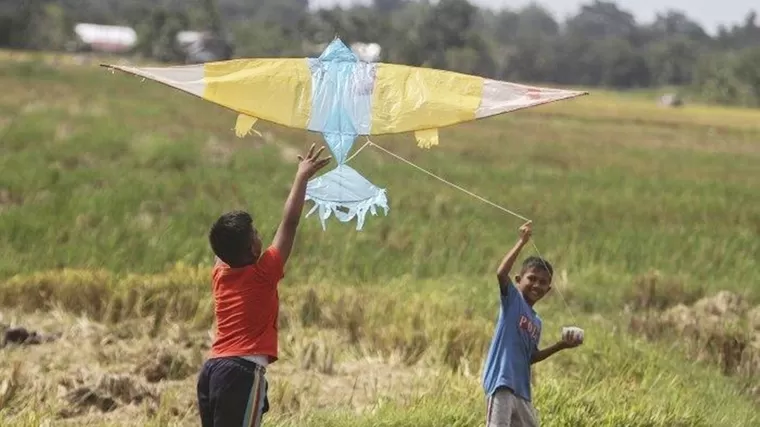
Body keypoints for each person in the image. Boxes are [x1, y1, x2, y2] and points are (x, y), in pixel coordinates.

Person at [196, 143, 331, 427]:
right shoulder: (263, 273)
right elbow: (290, 222)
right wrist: (301, 177)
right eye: (255, 234)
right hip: (240, 372)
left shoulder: (221, 275)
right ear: (252, 250)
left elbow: (223, 244)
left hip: (212, 371)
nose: (261, 235)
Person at [481, 221, 584, 427]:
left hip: (522, 392)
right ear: (519, 280)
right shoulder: (512, 300)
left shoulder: (537, 322)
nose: (537, 284)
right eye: (532, 278)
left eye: (543, 282)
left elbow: (531, 357)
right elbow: (501, 273)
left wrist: (561, 345)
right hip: (502, 384)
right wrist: (521, 242)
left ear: (548, 290)